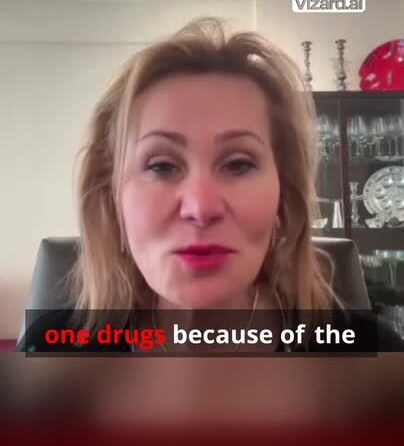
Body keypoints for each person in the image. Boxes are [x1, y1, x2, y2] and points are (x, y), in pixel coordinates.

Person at [17, 18, 404, 355]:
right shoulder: (51, 351)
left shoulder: (374, 353)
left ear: (283, 194)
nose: (200, 208)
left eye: (238, 164)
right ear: (111, 196)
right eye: (161, 166)